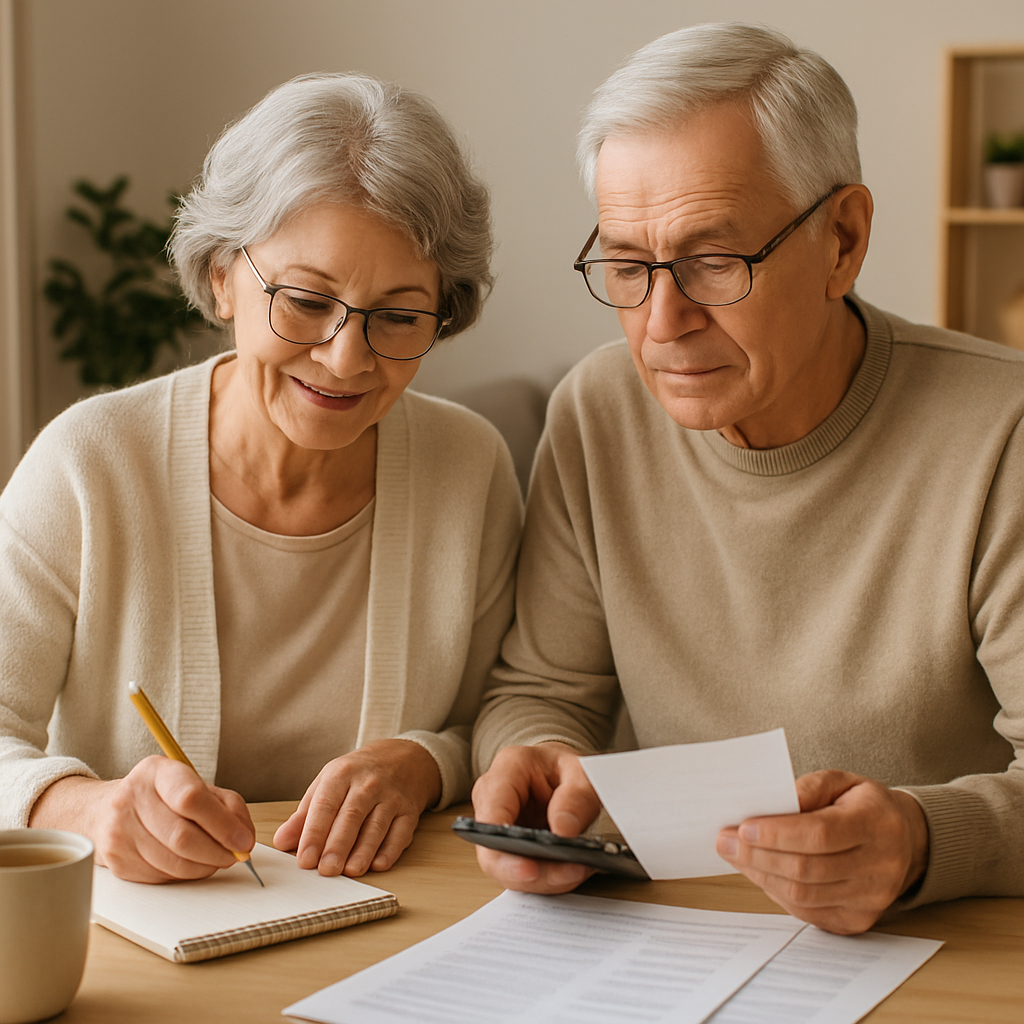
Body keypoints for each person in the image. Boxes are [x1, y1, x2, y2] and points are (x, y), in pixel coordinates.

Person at [470, 23, 1024, 935]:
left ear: (843, 239)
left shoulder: (1002, 434)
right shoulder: (596, 412)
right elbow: (544, 690)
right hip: (669, 938)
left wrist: (925, 841)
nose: (662, 322)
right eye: (627, 265)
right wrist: (537, 761)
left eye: (714, 261)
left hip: (935, 945)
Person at [0, 73, 522, 884]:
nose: (347, 359)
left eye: (397, 316)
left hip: (394, 926)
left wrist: (422, 763)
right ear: (219, 277)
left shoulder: (472, 468)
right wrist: (82, 808)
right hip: (144, 941)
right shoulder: (89, 463)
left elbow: (498, 717)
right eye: (306, 301)